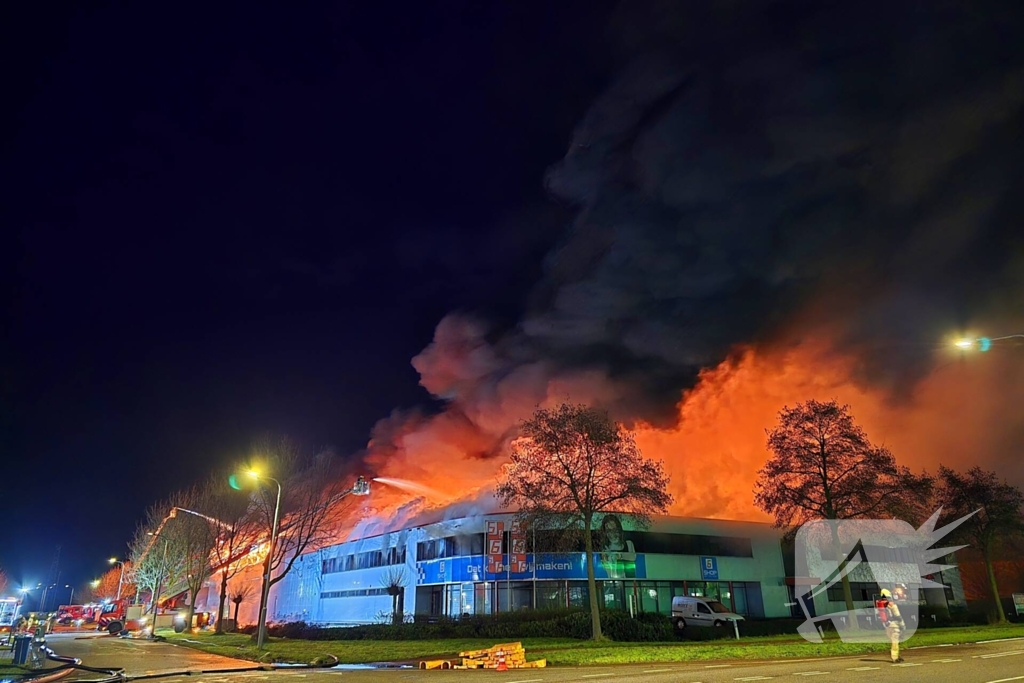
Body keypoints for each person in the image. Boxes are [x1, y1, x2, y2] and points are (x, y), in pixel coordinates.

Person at [877, 589, 906, 663]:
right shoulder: (892, 605)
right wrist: (902, 625)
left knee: (894, 641)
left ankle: (897, 655)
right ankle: (895, 657)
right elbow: (897, 616)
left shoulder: (880, 605)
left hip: (887, 625)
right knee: (895, 641)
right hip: (894, 625)